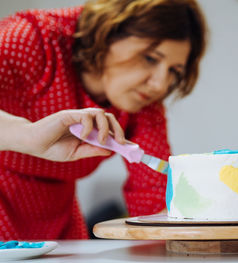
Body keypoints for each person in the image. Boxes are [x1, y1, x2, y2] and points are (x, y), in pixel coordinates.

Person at [0, 0, 207, 240]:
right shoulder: (30, 40)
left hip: (58, 224)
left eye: (174, 71)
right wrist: (28, 136)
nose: (160, 84)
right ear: (108, 32)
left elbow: (154, 196)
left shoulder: (142, 101)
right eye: (150, 58)